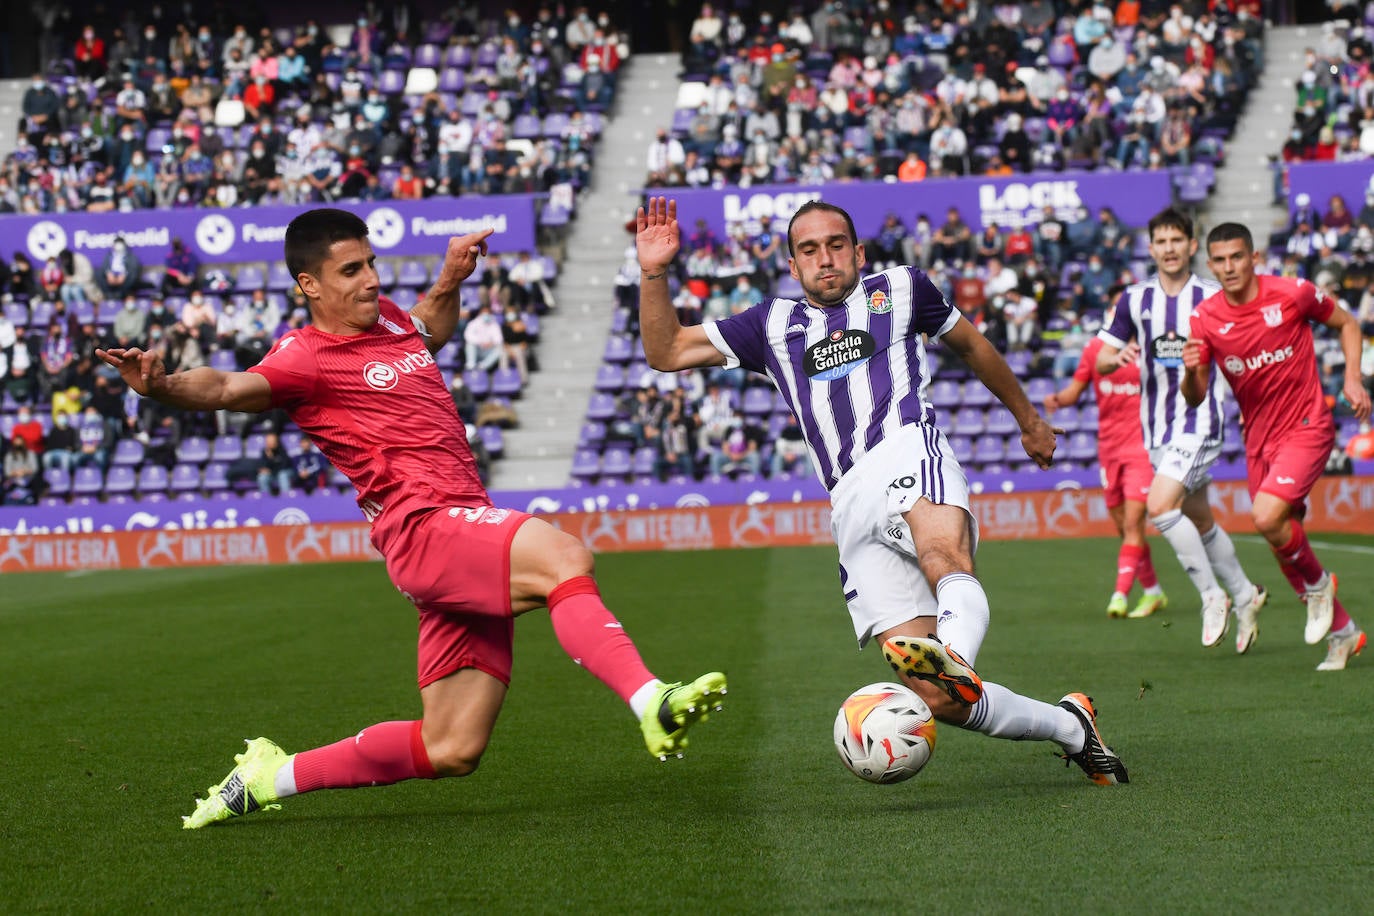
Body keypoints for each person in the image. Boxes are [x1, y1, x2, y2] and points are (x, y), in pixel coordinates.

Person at [97, 208, 725, 829]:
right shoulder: (303, 357)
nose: (371, 279)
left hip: (457, 527)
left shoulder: (392, 319)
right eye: (351, 270)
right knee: (564, 557)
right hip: (423, 526)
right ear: (309, 285)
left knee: (451, 747)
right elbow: (229, 389)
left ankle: (270, 776)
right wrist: (162, 386)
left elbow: (431, 329)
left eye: (371, 262)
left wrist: (451, 276)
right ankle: (653, 700)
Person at [635, 196, 1127, 786]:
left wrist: (1028, 419)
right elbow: (665, 351)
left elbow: (971, 344)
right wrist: (654, 273)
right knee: (938, 701)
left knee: (942, 555)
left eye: (836, 245)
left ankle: (957, 657)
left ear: (858, 252)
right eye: (809, 250)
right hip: (847, 502)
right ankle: (1071, 726)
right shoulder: (769, 326)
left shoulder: (900, 289)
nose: (825, 259)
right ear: (793, 265)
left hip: (907, 447)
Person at [1183, 222, 1372, 671]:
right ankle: (1344, 634)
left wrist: (1351, 378)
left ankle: (1320, 586)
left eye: (1237, 257)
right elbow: (1196, 395)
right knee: (1280, 533)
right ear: (1210, 265)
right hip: (1259, 440)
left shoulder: (1293, 293)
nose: (1229, 267)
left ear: (1253, 258)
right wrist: (1191, 371)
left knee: (1267, 516)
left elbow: (1347, 323)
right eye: (1220, 260)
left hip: (1307, 425)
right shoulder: (1205, 319)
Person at [1096, 207, 1267, 652]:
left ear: (1192, 246)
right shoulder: (1135, 300)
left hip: (1201, 418)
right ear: (1151, 248)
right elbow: (1099, 355)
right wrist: (1112, 359)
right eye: (1161, 242)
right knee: (1200, 518)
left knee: (1160, 506)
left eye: (1178, 241)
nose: (1169, 249)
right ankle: (1247, 593)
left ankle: (1213, 596)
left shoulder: (1213, 296)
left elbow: (1244, 346)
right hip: (1156, 429)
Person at [1045, 306, 1167, 619]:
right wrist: (1058, 400)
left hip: (1142, 447)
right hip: (1109, 449)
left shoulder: (1152, 350)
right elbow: (1076, 390)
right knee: (1122, 524)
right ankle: (1153, 591)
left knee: (1132, 522)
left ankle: (1120, 595)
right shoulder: (1095, 350)